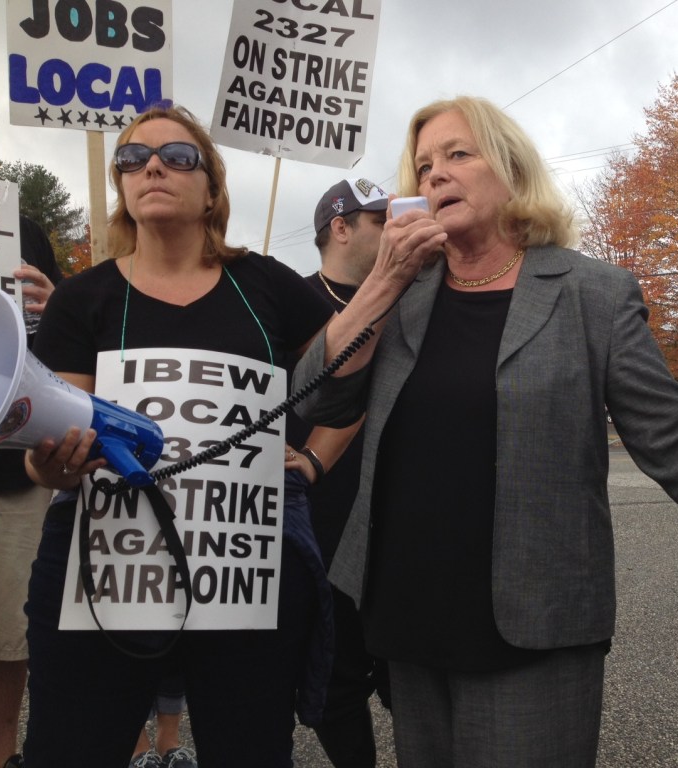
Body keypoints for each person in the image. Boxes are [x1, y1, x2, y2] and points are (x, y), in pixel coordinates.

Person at [291, 95, 678, 766]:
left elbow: (673, 431)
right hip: (407, 618)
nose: (435, 174)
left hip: (532, 627)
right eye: (421, 166)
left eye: (457, 154)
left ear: (510, 170)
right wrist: (383, 281)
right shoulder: (403, 297)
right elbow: (322, 397)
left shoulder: (591, 293)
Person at [20, 103, 336, 766]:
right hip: (104, 572)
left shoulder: (266, 284)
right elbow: (50, 439)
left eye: (176, 156)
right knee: (71, 749)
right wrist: (52, 469)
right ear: (122, 186)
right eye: (133, 159)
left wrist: (313, 455)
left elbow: (353, 370)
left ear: (212, 186)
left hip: (241, 573)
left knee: (248, 751)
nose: (152, 166)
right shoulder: (84, 298)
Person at [296, 179, 392, 766]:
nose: (396, 228)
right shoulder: (294, 302)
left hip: (402, 530)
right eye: (382, 220)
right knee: (337, 683)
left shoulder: (416, 301)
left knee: (414, 679)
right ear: (341, 226)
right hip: (325, 528)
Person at [0, 96, 64, 768]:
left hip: (11, 469)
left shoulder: (22, 229)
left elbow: (62, 348)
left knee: (8, 637)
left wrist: (50, 305)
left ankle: (0, 752)